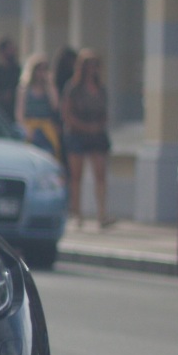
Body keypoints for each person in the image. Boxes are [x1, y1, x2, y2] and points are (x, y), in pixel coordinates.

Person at [61, 48, 112, 228]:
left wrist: (98, 126)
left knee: (100, 175)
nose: (93, 69)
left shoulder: (101, 88)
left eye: (95, 65)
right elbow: (67, 114)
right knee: (77, 176)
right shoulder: (73, 88)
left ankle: (102, 214)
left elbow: (105, 111)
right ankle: (77, 214)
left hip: (97, 135)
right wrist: (85, 127)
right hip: (77, 135)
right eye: (89, 66)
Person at [17, 54, 61, 159]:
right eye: (39, 70)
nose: (41, 73)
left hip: (46, 126)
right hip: (30, 127)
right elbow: (19, 112)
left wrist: (50, 85)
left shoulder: (49, 89)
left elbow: (55, 106)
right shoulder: (24, 90)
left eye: (44, 70)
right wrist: (25, 129)